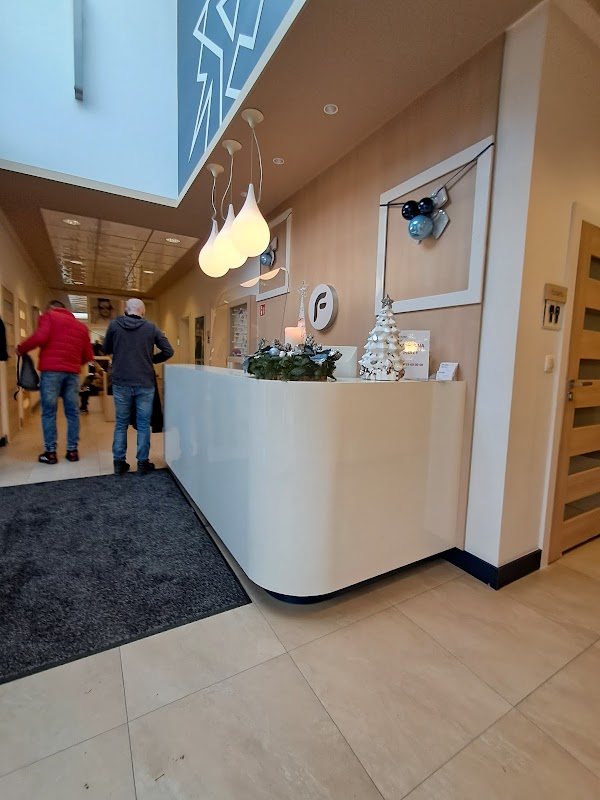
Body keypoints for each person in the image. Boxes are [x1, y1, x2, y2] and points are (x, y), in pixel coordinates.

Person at [16, 300, 93, 464]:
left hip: (51, 372)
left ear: (50, 308)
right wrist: (73, 363)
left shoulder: (49, 317)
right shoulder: (81, 327)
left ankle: (50, 453)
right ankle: (72, 451)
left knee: (49, 412)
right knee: (72, 412)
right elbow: (88, 355)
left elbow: (40, 337)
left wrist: (21, 348)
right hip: (72, 373)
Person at [103, 298, 173, 475]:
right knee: (143, 424)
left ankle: (119, 463)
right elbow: (168, 350)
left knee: (121, 423)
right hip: (144, 382)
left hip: (121, 381)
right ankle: (142, 463)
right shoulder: (151, 327)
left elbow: (105, 349)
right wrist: (151, 360)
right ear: (143, 311)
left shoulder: (114, 325)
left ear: (127, 310)